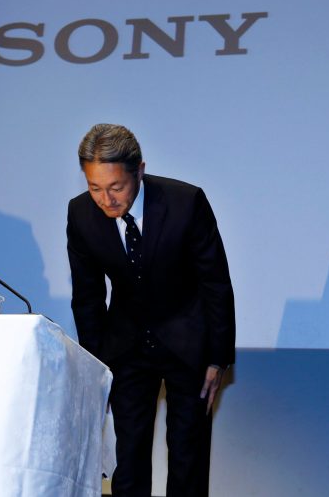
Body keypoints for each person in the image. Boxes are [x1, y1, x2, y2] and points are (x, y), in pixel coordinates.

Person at [66, 124, 235, 497]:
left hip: (188, 345)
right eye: (95, 187)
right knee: (128, 461)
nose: (106, 200)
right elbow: (88, 295)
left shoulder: (185, 202)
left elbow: (215, 283)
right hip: (125, 348)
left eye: (116, 187)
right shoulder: (80, 214)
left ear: (139, 170)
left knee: (188, 460)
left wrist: (217, 358)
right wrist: (97, 368)